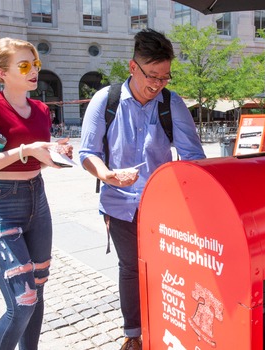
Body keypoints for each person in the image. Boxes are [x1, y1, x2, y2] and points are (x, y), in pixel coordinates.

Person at [79, 28, 205, 350]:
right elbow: (87, 153)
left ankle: (168, 326)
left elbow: (193, 157)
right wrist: (107, 175)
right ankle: (133, 334)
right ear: (133, 67)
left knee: (168, 268)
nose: (157, 84)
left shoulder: (171, 104)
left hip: (161, 206)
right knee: (131, 267)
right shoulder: (104, 100)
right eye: (151, 75)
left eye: (165, 77)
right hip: (118, 203)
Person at [0, 37, 72, 350]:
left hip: (37, 199)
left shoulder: (40, 109)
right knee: (22, 301)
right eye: (24, 65)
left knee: (37, 291)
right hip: (0, 203)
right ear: (2, 72)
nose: (34, 70)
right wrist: (25, 150)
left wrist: (57, 154)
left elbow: (41, 159)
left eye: (35, 63)